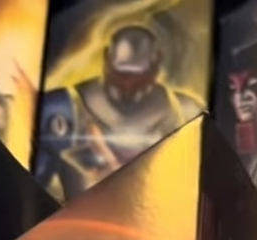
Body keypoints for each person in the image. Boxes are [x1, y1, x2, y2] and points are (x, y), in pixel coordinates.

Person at [35, 24, 206, 198]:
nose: (128, 87)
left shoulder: (188, 113)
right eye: (122, 75)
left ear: (156, 64)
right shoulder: (63, 108)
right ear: (107, 60)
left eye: (137, 78)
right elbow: (32, 189)